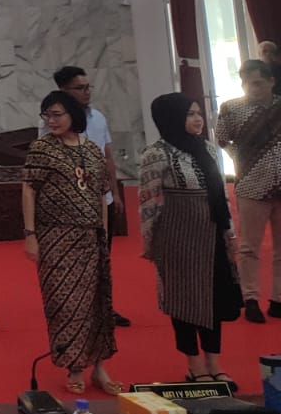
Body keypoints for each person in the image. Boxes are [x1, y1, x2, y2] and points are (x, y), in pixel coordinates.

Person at [24, 90, 121, 395]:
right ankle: (75, 367)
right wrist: (30, 234)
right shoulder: (41, 148)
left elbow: (101, 193)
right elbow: (29, 190)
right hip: (56, 237)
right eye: (47, 115)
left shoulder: (91, 149)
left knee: (97, 302)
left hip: (91, 237)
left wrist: (103, 234)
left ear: (72, 115)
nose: (51, 121)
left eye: (57, 114)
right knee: (65, 303)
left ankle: (99, 368)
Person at [141, 93, 242, 386]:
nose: (198, 119)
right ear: (171, 117)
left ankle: (214, 362)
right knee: (183, 300)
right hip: (177, 238)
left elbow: (220, 194)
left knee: (214, 298)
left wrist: (230, 233)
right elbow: (147, 200)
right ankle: (194, 365)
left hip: (212, 234)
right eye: (190, 114)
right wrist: (150, 241)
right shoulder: (156, 153)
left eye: (198, 113)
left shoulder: (207, 148)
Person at [47, 65, 128, 326]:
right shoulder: (53, 121)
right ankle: (78, 309)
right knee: (76, 260)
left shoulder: (98, 118)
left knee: (103, 256)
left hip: (101, 201)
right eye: (79, 88)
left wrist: (115, 193)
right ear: (64, 90)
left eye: (87, 87)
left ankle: (104, 308)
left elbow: (107, 157)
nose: (86, 92)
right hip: (71, 204)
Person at [214, 59, 281, 322]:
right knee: (248, 246)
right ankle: (250, 298)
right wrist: (239, 158)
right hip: (252, 185)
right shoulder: (231, 108)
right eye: (246, 83)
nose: (251, 88)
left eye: (257, 83)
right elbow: (221, 138)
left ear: (271, 82)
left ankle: (278, 299)